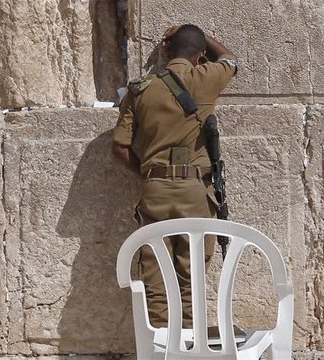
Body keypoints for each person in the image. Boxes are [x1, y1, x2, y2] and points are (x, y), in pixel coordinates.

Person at [112, 24, 237, 328]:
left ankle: (160, 343)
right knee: (191, 272)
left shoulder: (140, 89)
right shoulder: (205, 77)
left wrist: (149, 174)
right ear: (200, 55)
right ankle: (191, 341)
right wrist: (204, 35)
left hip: (155, 189)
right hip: (194, 191)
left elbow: (119, 147)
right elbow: (231, 60)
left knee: (154, 273)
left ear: (167, 51)